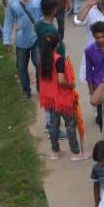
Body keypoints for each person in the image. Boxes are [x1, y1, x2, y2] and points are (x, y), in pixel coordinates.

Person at [39, 32, 86, 161]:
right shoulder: (58, 59)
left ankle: (55, 151)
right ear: (57, 44)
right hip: (62, 97)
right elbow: (60, 80)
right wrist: (70, 84)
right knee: (70, 124)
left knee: (53, 125)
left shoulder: (42, 58)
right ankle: (75, 152)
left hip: (50, 98)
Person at [3, 0, 44, 98]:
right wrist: (6, 40)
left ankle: (41, 89)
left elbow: (46, 16)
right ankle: (26, 91)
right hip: (21, 40)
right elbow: (8, 22)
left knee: (39, 63)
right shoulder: (12, 3)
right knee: (21, 67)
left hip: (37, 37)